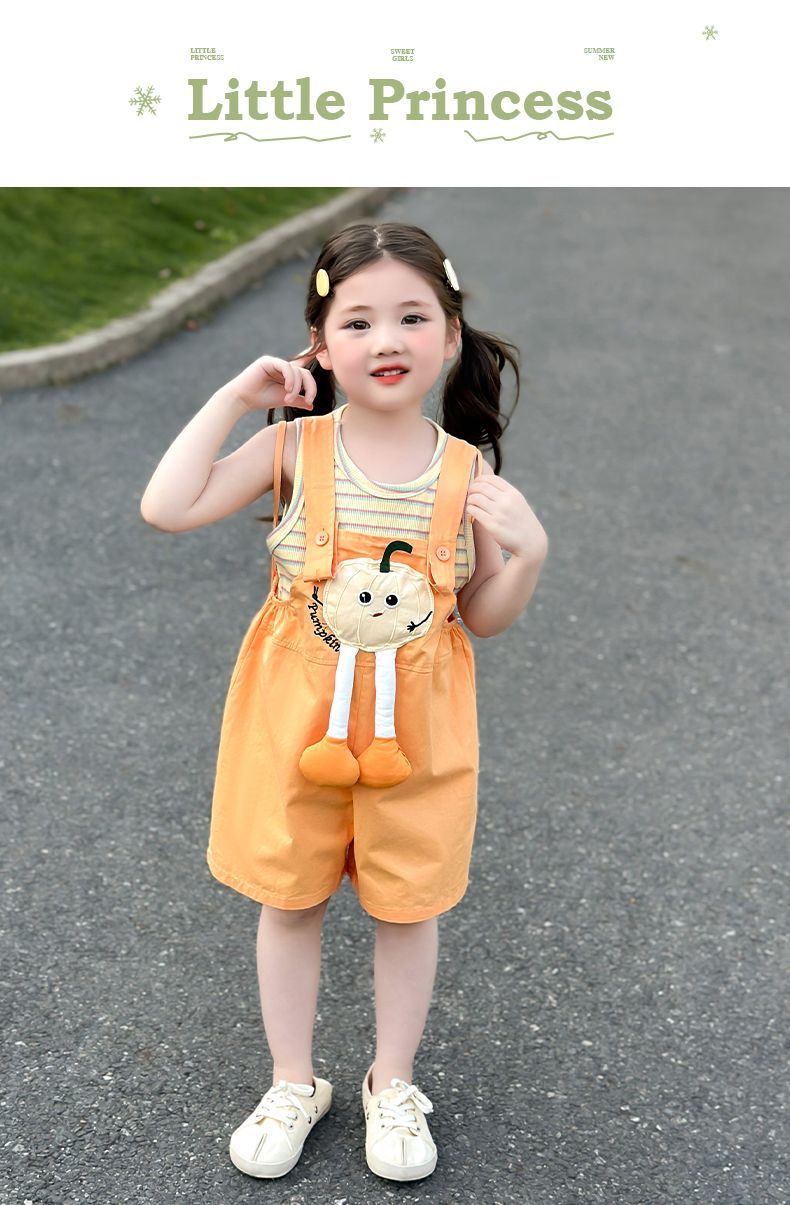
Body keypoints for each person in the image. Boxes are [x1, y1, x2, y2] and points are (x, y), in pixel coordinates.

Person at [140, 220, 549, 1183]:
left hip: (420, 727)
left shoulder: (469, 473)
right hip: (297, 717)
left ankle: (390, 1081)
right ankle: (294, 1080)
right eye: (357, 322)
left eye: (413, 316)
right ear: (320, 347)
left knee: (409, 904)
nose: (387, 340)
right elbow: (167, 505)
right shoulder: (293, 449)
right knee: (289, 897)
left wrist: (529, 552)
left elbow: (483, 615)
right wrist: (237, 398)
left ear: (451, 335)